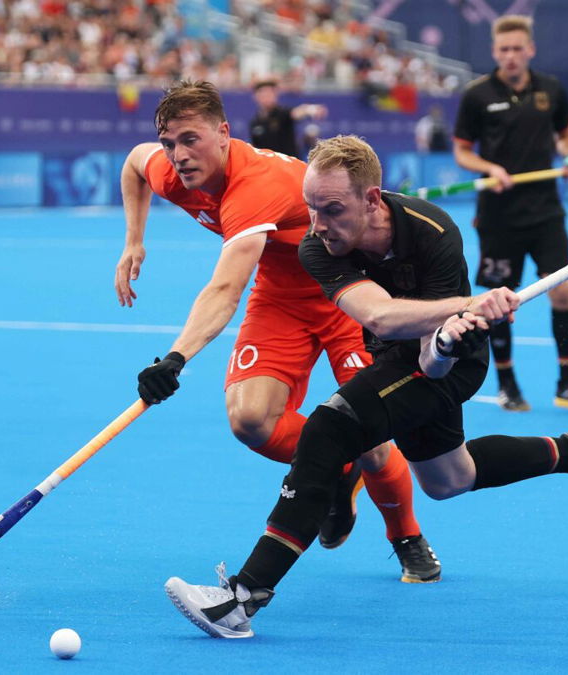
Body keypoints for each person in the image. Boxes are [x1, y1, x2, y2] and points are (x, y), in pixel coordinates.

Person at [163, 135, 568, 639]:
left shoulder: (433, 231)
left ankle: (243, 597)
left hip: (454, 363)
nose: (319, 224)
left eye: (332, 209)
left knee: (329, 428)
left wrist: (450, 335)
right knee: (448, 479)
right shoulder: (316, 246)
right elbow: (381, 318)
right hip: (396, 350)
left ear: (372, 199)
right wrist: (461, 307)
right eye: (311, 208)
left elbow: (433, 367)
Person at [117, 80, 441, 582]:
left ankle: (406, 537)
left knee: (375, 439)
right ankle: (337, 465)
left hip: (347, 293)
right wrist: (133, 241)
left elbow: (225, 289)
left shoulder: (255, 186)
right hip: (281, 296)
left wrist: (174, 358)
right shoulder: (169, 170)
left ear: (224, 133)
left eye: (191, 139)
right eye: (170, 143)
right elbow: (134, 164)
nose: (178, 155)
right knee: (250, 420)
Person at [451, 14, 568, 414]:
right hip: (498, 216)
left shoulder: (551, 90)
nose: (511, 56)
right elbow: (462, 150)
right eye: (504, 50)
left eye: (518, 48)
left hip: (546, 211)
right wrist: (490, 169)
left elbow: (565, 133)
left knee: (563, 290)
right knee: (499, 301)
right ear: (494, 51)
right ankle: (507, 384)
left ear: (530, 49)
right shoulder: (477, 95)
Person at [248, 79, 327, 160]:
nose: (267, 96)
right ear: (256, 96)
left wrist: (311, 109)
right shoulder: (254, 122)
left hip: (289, 164)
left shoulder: (283, 113)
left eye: (270, 93)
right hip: (268, 166)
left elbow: (296, 113)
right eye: (263, 93)